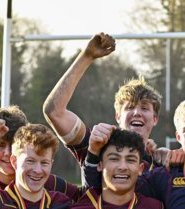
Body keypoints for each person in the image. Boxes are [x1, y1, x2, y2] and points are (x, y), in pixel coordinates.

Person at [44, 32, 165, 170]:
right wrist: (87, 56)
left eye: (144, 108)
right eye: (130, 107)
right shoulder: (96, 146)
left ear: (155, 119)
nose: (137, 112)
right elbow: (54, 112)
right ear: (117, 116)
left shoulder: (160, 164)